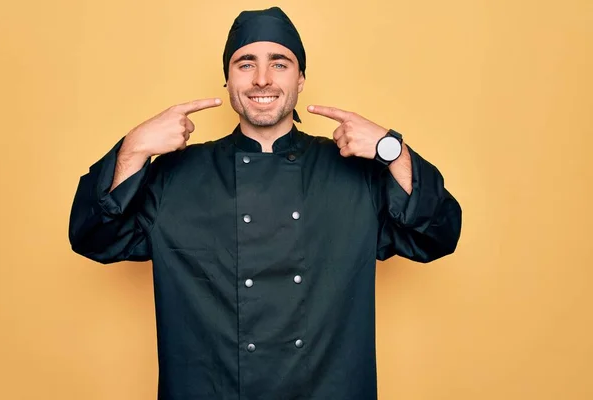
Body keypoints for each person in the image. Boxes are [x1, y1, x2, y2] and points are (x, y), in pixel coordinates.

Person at [69, 6, 462, 400]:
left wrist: (391, 151)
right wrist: (133, 149)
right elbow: (94, 238)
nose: (262, 79)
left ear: (301, 78)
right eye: (245, 63)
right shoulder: (176, 175)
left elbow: (438, 234)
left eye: (279, 63)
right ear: (227, 79)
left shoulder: (357, 175)